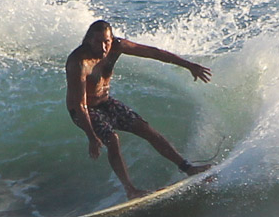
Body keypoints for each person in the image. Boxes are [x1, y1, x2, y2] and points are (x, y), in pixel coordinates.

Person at [66, 19, 213, 199]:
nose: (104, 47)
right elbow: (80, 105)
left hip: (106, 102)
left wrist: (189, 65)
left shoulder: (117, 46)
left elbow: (154, 53)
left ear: (112, 39)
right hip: (83, 110)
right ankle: (131, 190)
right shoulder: (79, 62)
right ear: (89, 40)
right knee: (112, 138)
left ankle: (188, 168)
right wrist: (92, 137)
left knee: (146, 129)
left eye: (107, 41)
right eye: (98, 42)